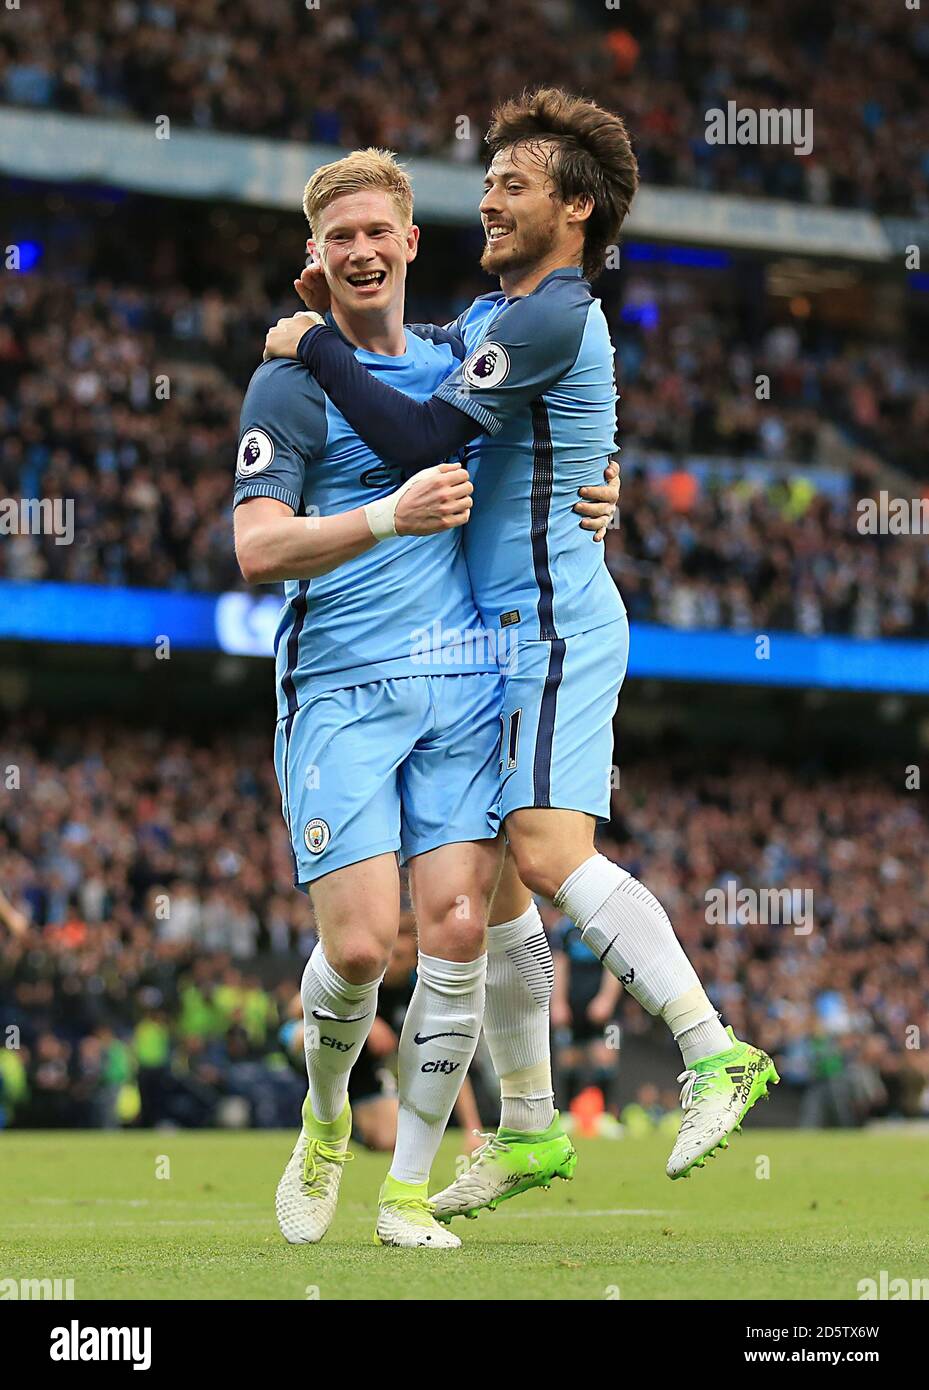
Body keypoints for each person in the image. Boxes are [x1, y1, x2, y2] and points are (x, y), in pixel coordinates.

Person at [263, 88, 779, 1217]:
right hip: (487, 641)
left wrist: (309, 344)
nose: (486, 198)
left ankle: (710, 1050)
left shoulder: (551, 314)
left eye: (512, 183)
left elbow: (420, 437)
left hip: (546, 624)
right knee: (496, 895)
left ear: (576, 207)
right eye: (487, 179)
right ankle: (533, 1132)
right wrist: (336, 323)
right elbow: (419, 367)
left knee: (544, 854)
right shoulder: (496, 319)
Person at [234, 148, 618, 1248]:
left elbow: (554, 422)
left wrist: (604, 477)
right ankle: (319, 1122)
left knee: (453, 925)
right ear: (316, 258)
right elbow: (257, 551)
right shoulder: (288, 383)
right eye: (336, 238)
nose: (358, 250)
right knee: (360, 949)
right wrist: (381, 518)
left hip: (463, 686)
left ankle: (405, 1192)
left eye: (375, 233)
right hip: (341, 689)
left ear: (408, 243)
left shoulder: (461, 351)